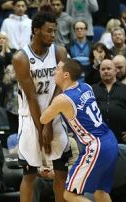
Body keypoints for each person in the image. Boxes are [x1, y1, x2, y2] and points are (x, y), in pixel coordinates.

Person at [40, 58, 118, 202]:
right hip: (110, 140)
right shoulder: (87, 87)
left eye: (57, 68)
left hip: (97, 146)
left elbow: (43, 119)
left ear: (66, 75)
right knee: (100, 192)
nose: (54, 71)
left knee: (70, 195)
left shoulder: (63, 99)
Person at [12, 10, 69, 202]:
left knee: (61, 173)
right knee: (30, 175)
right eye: (48, 31)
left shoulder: (59, 51)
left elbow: (61, 87)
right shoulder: (21, 58)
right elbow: (31, 97)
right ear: (36, 30)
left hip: (56, 114)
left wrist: (49, 121)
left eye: (54, 31)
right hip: (30, 118)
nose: (53, 35)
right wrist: (42, 126)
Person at [92, 59, 126, 144]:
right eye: (103, 69)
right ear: (99, 72)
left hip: (122, 140)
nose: (105, 71)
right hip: (98, 140)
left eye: (109, 68)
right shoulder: (92, 90)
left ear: (115, 70)